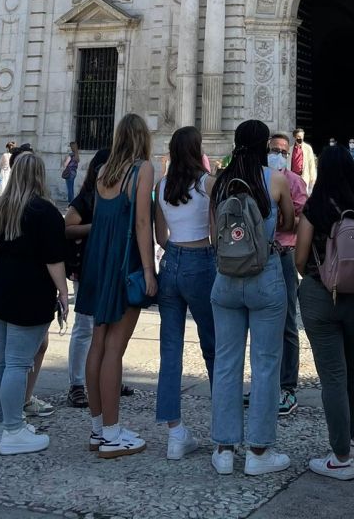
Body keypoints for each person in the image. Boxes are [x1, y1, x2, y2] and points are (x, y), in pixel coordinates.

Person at [209, 119, 294, 477]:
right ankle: (259, 451)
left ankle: (225, 450)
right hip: (265, 277)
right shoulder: (274, 180)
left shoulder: (218, 183)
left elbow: (213, 235)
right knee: (265, 364)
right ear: (264, 147)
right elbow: (289, 222)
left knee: (226, 362)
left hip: (225, 280)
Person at [0, 152, 68, 455]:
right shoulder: (46, 212)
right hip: (31, 291)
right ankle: (14, 429)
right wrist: (63, 294)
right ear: (40, 175)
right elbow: (53, 259)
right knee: (17, 362)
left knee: (0, 357)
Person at [76, 113, 157, 459]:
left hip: (98, 262)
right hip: (124, 264)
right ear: (142, 138)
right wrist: (150, 271)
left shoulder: (102, 171)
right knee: (115, 349)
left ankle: (97, 429)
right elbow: (141, 222)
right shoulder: (143, 170)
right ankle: (112, 434)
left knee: (98, 342)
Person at [295, 144, 354, 480]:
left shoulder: (315, 207)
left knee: (333, 376)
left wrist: (319, 274)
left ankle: (340, 457)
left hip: (320, 296)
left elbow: (299, 258)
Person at [154, 125, 217, 459]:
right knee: (213, 346)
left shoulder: (162, 185)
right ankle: (222, 430)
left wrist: (174, 250)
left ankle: (175, 433)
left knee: (170, 351)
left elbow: (159, 233)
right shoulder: (207, 183)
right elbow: (218, 226)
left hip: (172, 262)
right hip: (200, 262)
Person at [64, 146, 110, 408]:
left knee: (110, 326)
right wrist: (96, 227)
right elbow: (68, 226)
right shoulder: (86, 199)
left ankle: (106, 376)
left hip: (110, 268)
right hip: (88, 268)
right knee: (84, 327)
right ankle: (77, 384)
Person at [268, 131, 307, 418]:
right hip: (262, 256)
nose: (278, 154)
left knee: (288, 322)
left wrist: (277, 217)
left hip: (285, 255)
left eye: (282, 150)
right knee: (260, 322)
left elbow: (296, 223)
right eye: (273, 149)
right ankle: (264, 384)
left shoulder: (296, 183)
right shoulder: (258, 178)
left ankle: (287, 386)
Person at [291, 127, 317, 192]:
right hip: (292, 177)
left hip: (303, 176)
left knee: (303, 196)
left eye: (302, 136)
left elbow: (311, 164)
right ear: (294, 137)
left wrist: (313, 178)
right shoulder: (290, 149)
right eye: (299, 136)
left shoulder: (308, 148)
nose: (301, 138)